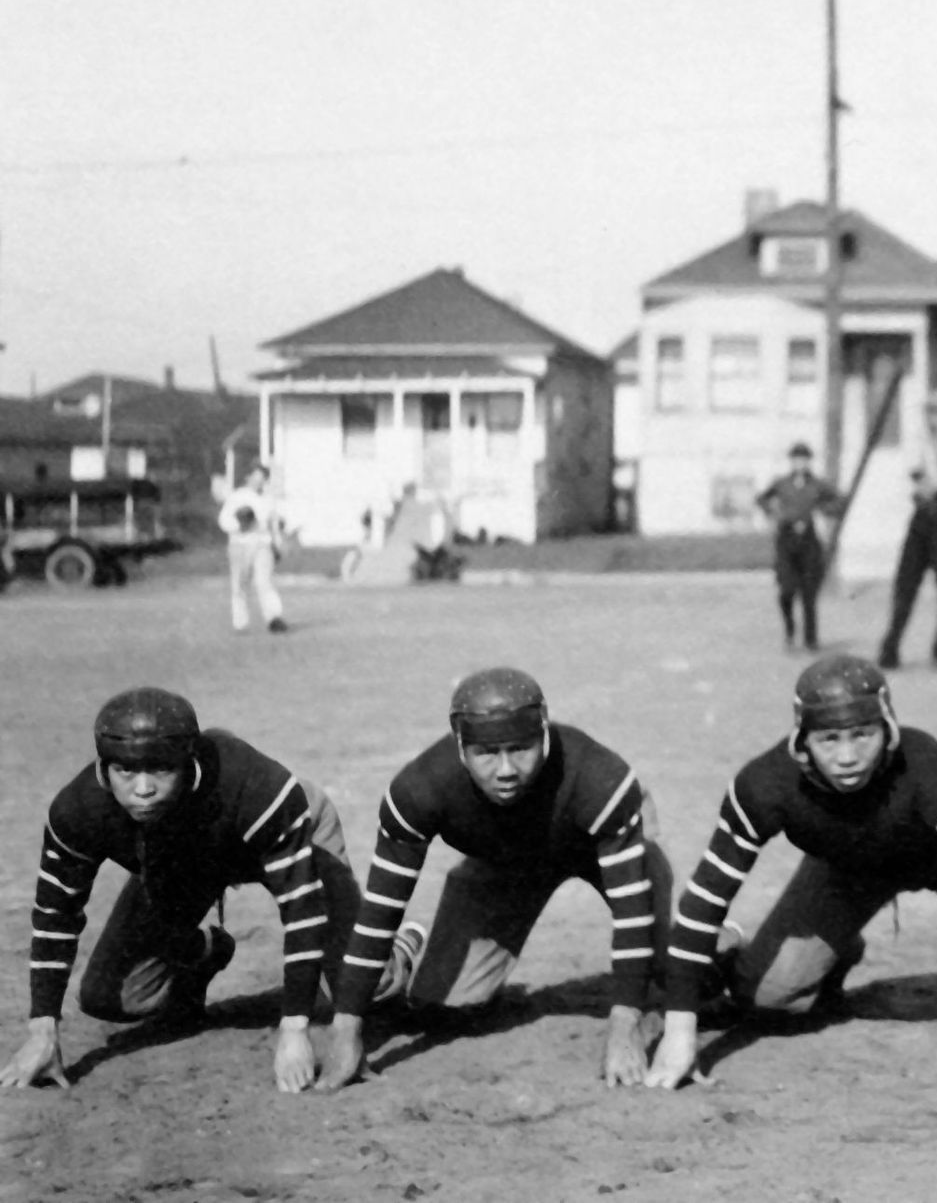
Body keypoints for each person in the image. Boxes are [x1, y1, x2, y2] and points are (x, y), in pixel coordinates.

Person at [645, 655, 937, 1091]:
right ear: (802, 739)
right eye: (828, 739)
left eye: (862, 734)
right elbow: (706, 897)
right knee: (768, 997)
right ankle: (812, 946)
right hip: (848, 866)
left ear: (888, 728)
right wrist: (679, 1036)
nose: (847, 756)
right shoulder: (766, 784)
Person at [320, 668, 674, 1090]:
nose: (506, 769)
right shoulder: (420, 791)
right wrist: (346, 1028)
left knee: (681, 973)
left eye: (521, 748)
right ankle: (406, 953)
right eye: (486, 753)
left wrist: (624, 1022)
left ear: (544, 735)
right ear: (460, 746)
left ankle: (721, 943)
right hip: (507, 863)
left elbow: (633, 913)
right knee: (444, 1008)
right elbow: (381, 907)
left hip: (602, 851)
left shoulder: (600, 780)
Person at [1, 688, 357, 1093]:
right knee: (109, 997)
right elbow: (55, 914)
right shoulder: (78, 811)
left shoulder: (258, 789)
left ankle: (401, 949)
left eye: (161, 769)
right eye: (125, 771)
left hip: (281, 835)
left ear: (188, 762)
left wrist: (294, 1029)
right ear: (104, 767)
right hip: (183, 861)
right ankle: (203, 953)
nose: (143, 788)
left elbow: (302, 909)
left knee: (363, 988)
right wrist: (42, 1031)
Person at [877, 388, 937, 671]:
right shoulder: (927, 442)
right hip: (923, 517)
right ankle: (890, 648)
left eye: (934, 412)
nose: (929, 417)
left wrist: (931, 468)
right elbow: (917, 476)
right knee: (905, 584)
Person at [756, 442, 843, 651]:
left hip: (808, 539)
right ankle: (789, 629)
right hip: (786, 539)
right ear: (791, 462)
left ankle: (811, 639)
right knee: (786, 590)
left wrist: (824, 509)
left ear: (809, 462)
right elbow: (762, 499)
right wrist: (774, 513)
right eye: (797, 460)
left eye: (804, 460)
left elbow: (839, 500)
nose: (800, 464)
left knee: (808, 591)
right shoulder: (781, 483)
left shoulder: (817, 484)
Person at [217, 464, 288, 633]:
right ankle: (240, 621)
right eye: (257, 477)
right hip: (240, 543)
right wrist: (240, 525)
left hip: (262, 543)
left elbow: (273, 523)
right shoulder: (238, 496)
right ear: (248, 477)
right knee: (240, 584)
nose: (260, 481)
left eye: (263, 478)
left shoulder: (268, 499)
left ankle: (274, 618)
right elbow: (224, 520)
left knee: (264, 581)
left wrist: (277, 543)